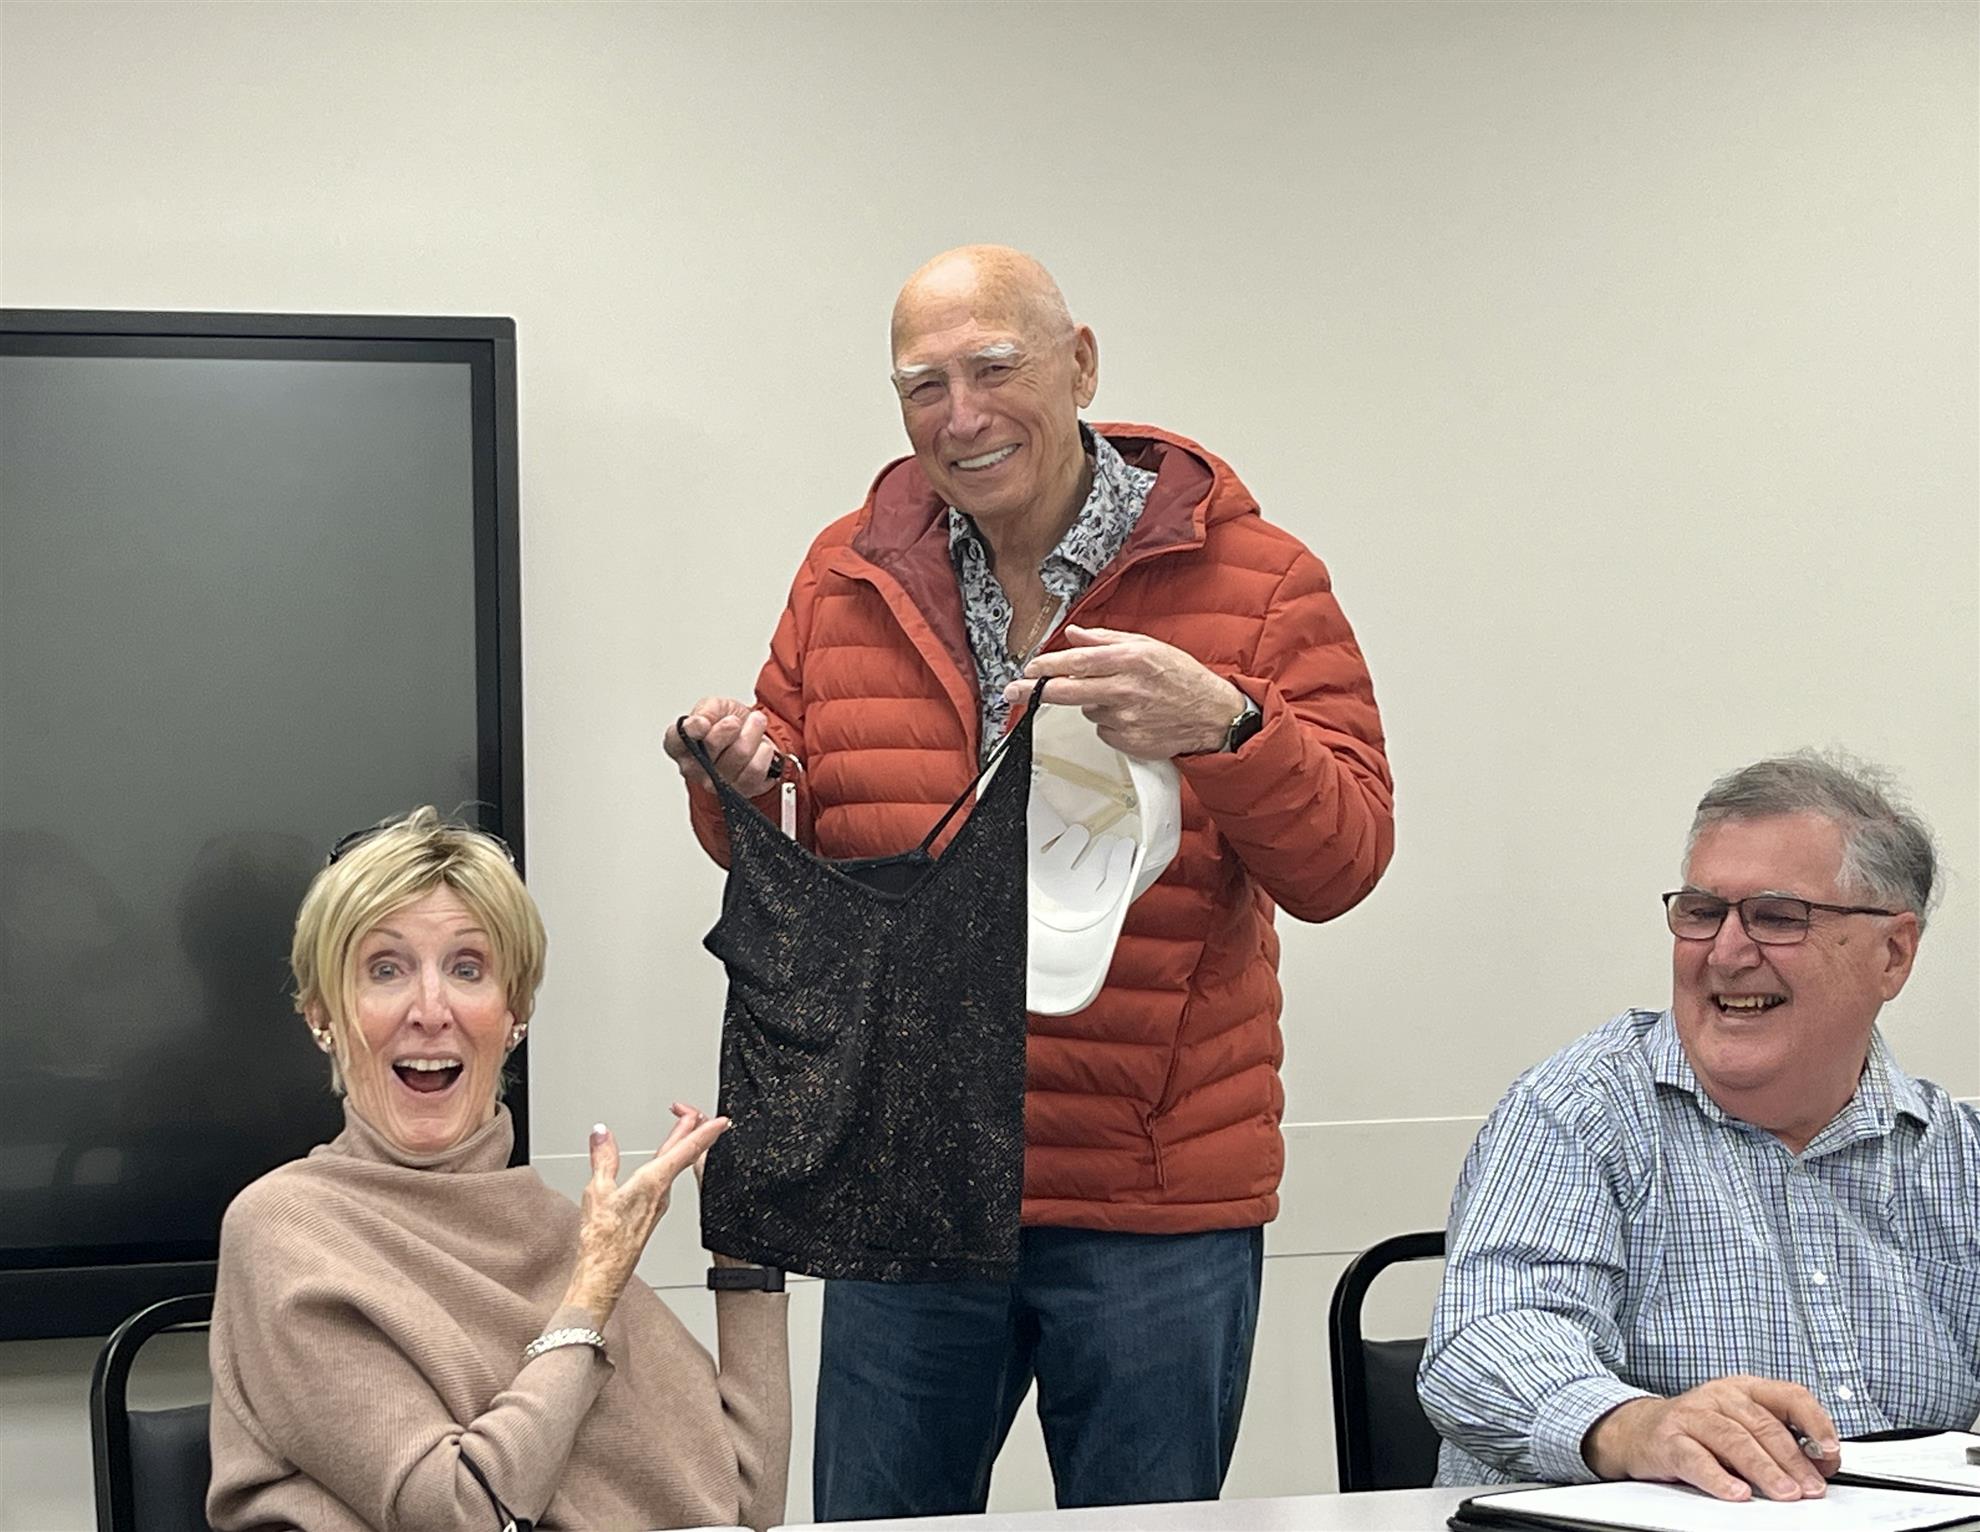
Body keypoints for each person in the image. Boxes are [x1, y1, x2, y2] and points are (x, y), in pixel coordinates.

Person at [664, 244, 1394, 1516]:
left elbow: (1343, 862)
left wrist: (1228, 725)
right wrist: (737, 784)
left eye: (994, 368)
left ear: (1081, 366)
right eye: (924, 385)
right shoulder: (845, 570)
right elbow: (798, 847)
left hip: (1149, 1197)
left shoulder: (1260, 580)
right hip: (911, 1177)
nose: (962, 415)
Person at [206, 809, 791, 1532]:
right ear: (322, 1014)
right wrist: (589, 1299)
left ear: (515, 1013)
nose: (431, 1010)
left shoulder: (566, 1230)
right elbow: (466, 1514)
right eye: (386, 969)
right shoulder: (286, 1228)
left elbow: (746, 1508)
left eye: (467, 968)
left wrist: (745, 1259)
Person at [1419, 752, 1980, 1503]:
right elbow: (1485, 1342)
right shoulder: (1580, 1110)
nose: (1727, 952)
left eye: (1777, 917)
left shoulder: (1958, 1155)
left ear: (1893, 954)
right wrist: (1636, 1428)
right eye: (1702, 912)